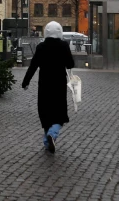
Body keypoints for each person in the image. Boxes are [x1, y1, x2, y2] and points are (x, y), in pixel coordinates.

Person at [22, 21, 75, 154]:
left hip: (44, 84)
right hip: (59, 84)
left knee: (45, 112)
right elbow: (70, 64)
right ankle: (52, 134)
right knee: (59, 113)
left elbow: (33, 65)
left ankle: (47, 141)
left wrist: (26, 81)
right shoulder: (64, 45)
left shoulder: (41, 47)